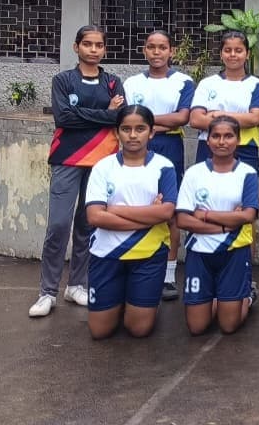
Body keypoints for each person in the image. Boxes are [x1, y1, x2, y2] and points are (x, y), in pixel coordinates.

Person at [29, 25, 125, 318]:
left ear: (104, 50)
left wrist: (109, 115)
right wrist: (104, 115)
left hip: (102, 162)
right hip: (67, 160)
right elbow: (64, 117)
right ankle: (47, 292)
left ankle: (77, 285)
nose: (93, 50)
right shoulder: (63, 80)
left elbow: (120, 117)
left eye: (98, 45)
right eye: (87, 44)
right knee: (58, 225)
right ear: (76, 47)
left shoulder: (112, 82)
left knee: (87, 226)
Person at [82, 105, 178, 339]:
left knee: (139, 330)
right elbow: (95, 216)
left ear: (152, 132)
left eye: (140, 129)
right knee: (100, 331)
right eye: (126, 129)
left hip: (148, 253)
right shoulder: (102, 167)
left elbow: (166, 213)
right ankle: (123, 298)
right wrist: (148, 215)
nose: (133, 135)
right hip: (107, 253)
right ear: (117, 133)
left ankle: (137, 300)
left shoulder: (164, 166)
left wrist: (114, 210)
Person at [122, 31, 195, 301]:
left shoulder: (183, 81)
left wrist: (144, 122)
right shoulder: (131, 83)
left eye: (162, 47)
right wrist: (155, 123)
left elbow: (182, 118)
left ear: (171, 51)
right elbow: (127, 119)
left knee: (169, 209)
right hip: (135, 148)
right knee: (136, 202)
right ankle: (133, 263)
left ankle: (168, 273)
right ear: (144, 51)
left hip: (170, 147)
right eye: (151, 47)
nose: (156, 52)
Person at [175, 116, 259, 335]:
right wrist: (225, 224)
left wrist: (204, 215)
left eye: (228, 136)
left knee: (228, 326)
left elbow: (249, 215)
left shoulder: (247, 173)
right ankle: (220, 297)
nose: (222, 141)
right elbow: (183, 220)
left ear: (238, 139)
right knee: (196, 328)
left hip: (234, 251)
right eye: (216, 136)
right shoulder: (194, 173)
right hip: (199, 252)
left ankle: (246, 298)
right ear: (208, 140)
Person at [189, 31, 259, 175]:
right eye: (227, 50)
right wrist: (240, 118)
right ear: (221, 54)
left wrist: (218, 114)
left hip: (245, 148)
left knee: (243, 194)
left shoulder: (258, 85)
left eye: (238, 50)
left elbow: (254, 119)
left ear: (247, 54)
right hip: (209, 147)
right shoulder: (207, 84)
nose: (233, 54)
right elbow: (195, 119)